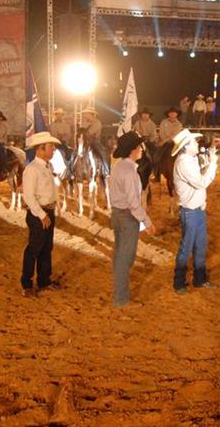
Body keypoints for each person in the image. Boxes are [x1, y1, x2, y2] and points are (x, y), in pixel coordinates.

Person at [109, 131, 156, 307]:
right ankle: (121, 298)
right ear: (132, 150)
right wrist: (147, 222)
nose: (141, 149)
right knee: (125, 258)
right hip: (127, 216)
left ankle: (119, 293)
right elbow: (133, 203)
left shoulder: (117, 167)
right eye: (139, 147)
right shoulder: (129, 172)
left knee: (119, 254)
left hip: (117, 214)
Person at [171, 128, 218, 293]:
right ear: (186, 145)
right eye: (194, 141)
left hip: (196, 209)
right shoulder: (183, 162)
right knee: (187, 247)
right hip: (191, 211)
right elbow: (201, 182)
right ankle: (179, 283)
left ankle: (199, 279)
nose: (197, 143)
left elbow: (201, 177)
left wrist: (211, 155)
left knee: (200, 245)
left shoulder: (189, 160)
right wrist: (213, 163)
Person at [21, 131, 61, 298]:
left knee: (46, 247)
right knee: (34, 248)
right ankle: (26, 284)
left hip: (48, 211)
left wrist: (54, 207)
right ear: (40, 149)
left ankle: (44, 280)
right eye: (51, 147)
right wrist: (42, 214)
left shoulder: (46, 167)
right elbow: (28, 196)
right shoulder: (32, 169)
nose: (53, 150)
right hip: (39, 214)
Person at [81, 106, 109, 175]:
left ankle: (106, 170)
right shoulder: (85, 122)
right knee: (75, 154)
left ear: (90, 114)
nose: (85, 115)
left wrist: (83, 132)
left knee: (102, 153)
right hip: (84, 141)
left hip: (95, 141)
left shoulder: (97, 123)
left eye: (86, 114)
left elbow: (89, 133)